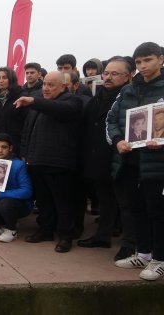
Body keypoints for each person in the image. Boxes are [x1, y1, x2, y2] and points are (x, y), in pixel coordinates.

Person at [106, 42, 164, 281]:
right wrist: (118, 140)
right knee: (136, 209)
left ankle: (160, 259)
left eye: (148, 60)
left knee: (158, 212)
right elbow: (112, 119)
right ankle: (144, 253)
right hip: (129, 160)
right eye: (139, 62)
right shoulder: (127, 90)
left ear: (161, 59)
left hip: (157, 163)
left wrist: (160, 140)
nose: (143, 66)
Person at [17, 71, 83, 253]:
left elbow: (60, 110)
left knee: (62, 202)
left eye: (51, 85)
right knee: (44, 200)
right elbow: (27, 130)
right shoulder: (38, 103)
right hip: (36, 160)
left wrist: (35, 101)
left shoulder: (71, 101)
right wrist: (25, 153)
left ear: (63, 86)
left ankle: (65, 236)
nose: (46, 88)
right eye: (44, 84)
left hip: (59, 163)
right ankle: (45, 230)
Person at [78, 58, 133, 258]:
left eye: (114, 74)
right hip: (97, 157)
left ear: (128, 76)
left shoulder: (128, 96)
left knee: (125, 204)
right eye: (107, 73)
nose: (108, 77)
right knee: (105, 200)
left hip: (120, 157)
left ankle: (131, 245)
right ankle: (103, 236)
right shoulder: (98, 95)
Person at [0, 133, 33, 243]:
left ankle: (11, 229)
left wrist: (0, 194)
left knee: (6, 203)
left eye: (4, 147)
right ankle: (10, 220)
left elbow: (27, 191)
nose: (0, 150)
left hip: (20, 205)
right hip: (1, 202)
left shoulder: (19, 165)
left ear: (10, 148)